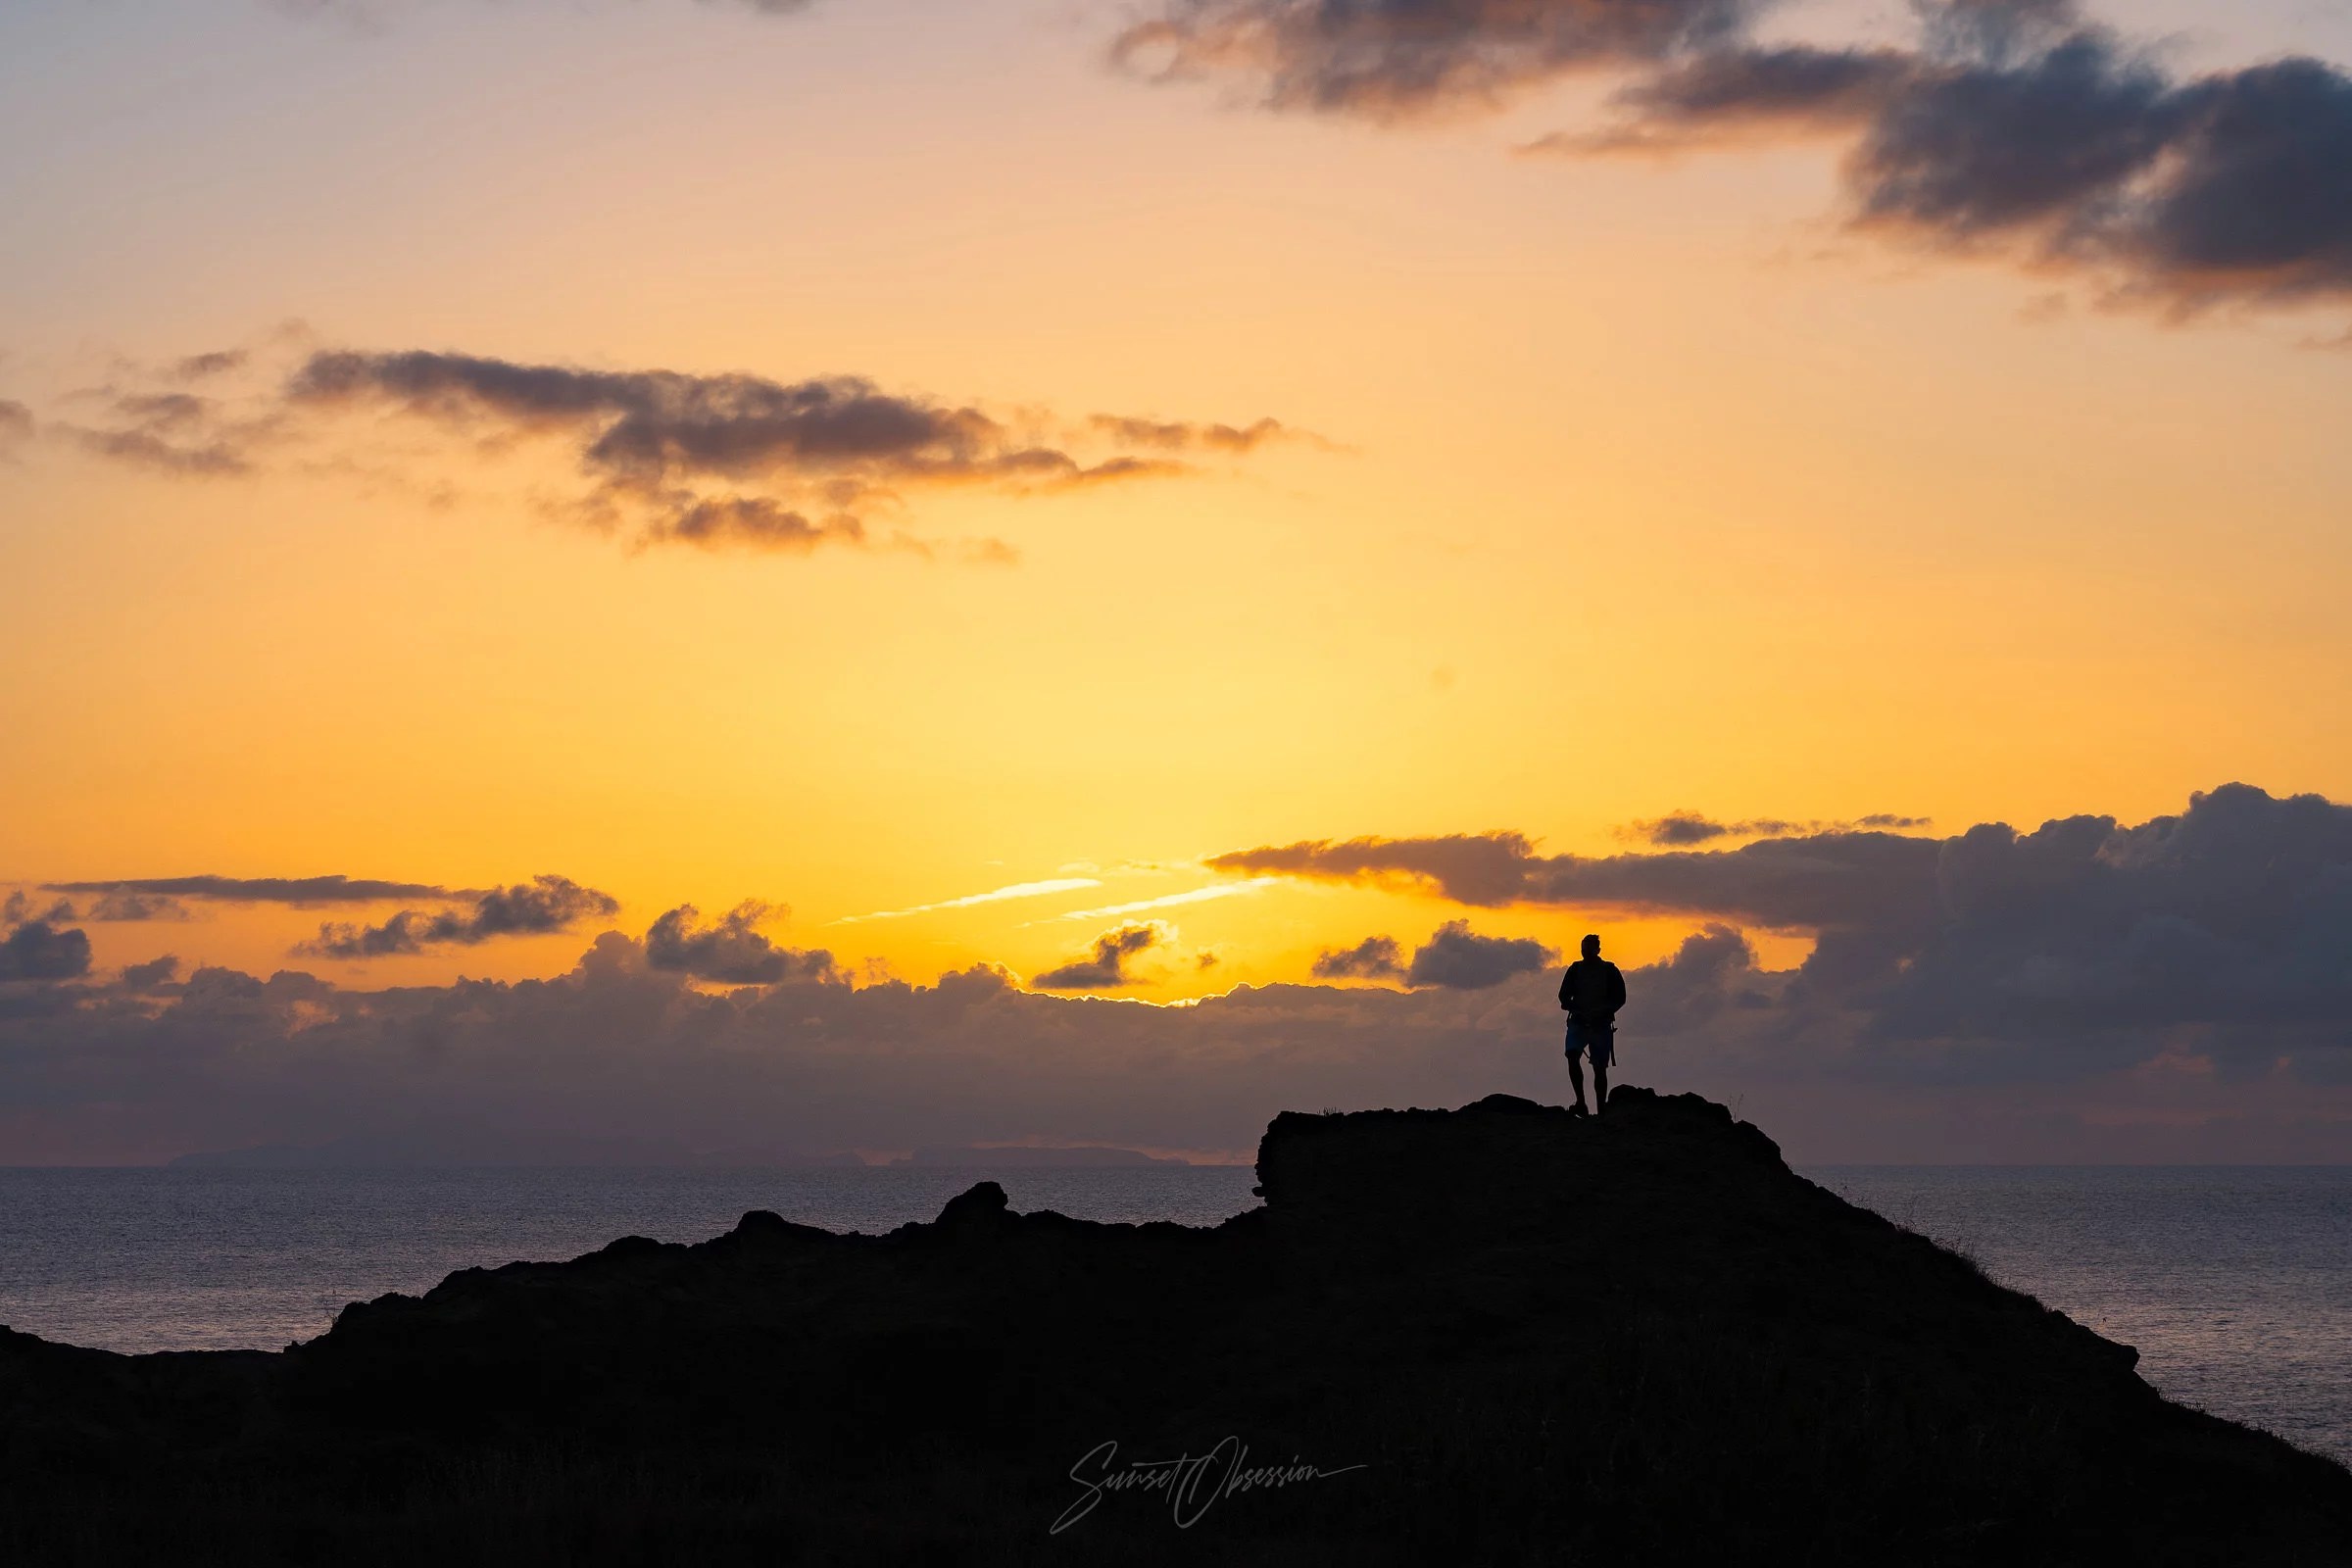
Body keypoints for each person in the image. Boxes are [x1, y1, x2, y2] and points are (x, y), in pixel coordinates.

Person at [1558, 933, 1626, 1116]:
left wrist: (1604, 1011)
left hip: (1601, 1024)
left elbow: (1620, 998)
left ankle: (1601, 1109)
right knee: (1572, 1056)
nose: (1585, 953)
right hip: (1579, 1021)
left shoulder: (1609, 970)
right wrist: (1575, 1007)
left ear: (1598, 950)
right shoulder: (1575, 969)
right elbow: (1563, 996)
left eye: (1588, 949)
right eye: (1583, 949)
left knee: (1599, 1068)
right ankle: (1581, 1102)